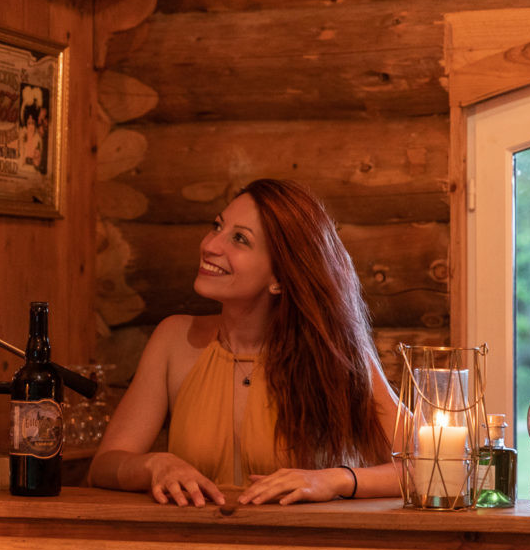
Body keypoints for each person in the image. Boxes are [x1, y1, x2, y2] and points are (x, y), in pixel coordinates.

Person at [88, 179, 401, 506]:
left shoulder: (337, 354)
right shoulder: (173, 339)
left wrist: (336, 479)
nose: (210, 245)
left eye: (239, 239)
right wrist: (156, 464)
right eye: (217, 226)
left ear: (279, 278)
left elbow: (432, 467)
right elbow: (105, 465)